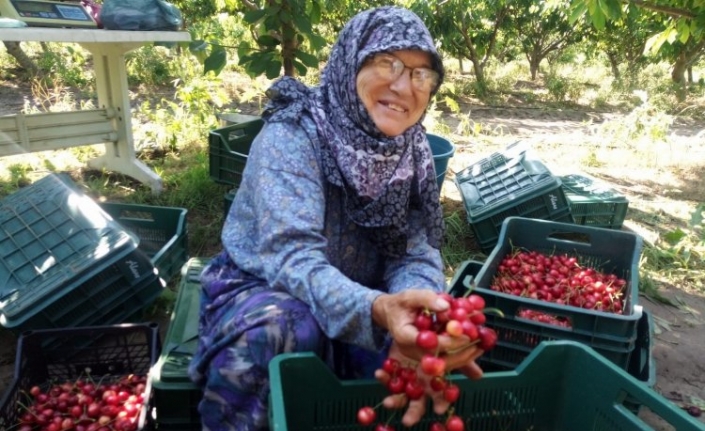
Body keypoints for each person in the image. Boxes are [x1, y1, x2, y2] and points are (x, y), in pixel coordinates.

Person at [188, 6, 484, 430]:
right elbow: (292, 258)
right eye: (388, 63)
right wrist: (379, 309)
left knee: (424, 357)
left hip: (367, 295)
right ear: (351, 61)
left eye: (422, 74)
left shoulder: (411, 152)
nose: (404, 86)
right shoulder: (293, 135)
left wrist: (420, 318)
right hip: (266, 286)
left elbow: (413, 254)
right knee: (282, 331)